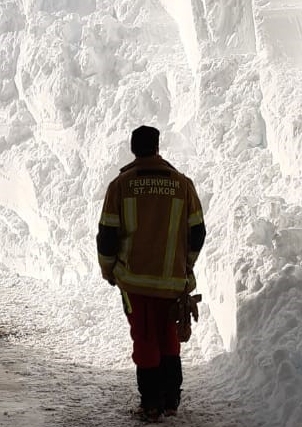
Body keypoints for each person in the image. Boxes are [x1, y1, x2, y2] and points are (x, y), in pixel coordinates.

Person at [96, 125, 206, 422]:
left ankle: (151, 405)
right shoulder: (183, 185)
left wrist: (109, 270)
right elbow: (197, 232)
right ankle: (171, 400)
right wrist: (186, 265)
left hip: (136, 283)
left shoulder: (120, 185)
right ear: (158, 148)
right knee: (169, 338)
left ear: (134, 149)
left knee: (145, 340)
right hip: (173, 284)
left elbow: (107, 235)